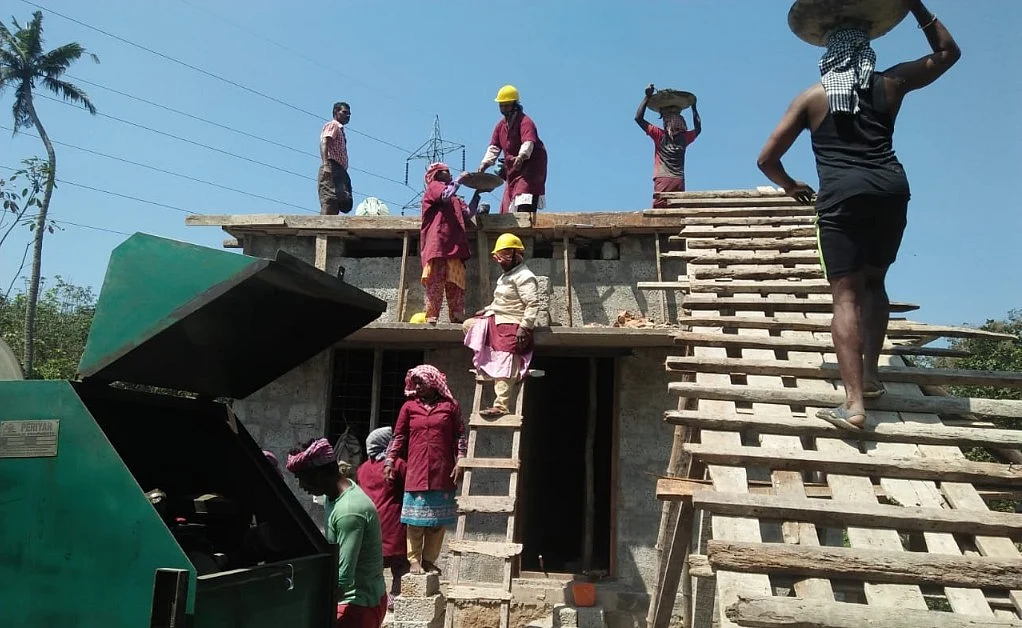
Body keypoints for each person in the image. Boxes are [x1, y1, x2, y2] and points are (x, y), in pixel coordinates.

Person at [756, 0, 960, 430]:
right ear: (868, 50)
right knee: (876, 283)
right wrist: (916, 5)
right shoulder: (891, 84)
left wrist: (791, 186)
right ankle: (869, 377)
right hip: (891, 189)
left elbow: (766, 159)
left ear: (827, 54)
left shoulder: (812, 97)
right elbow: (947, 54)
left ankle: (852, 406)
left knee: (845, 295)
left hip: (842, 198)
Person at [286, 438, 388, 627]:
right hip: (363, 598)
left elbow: (342, 580)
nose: (301, 486)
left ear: (319, 475)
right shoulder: (333, 497)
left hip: (357, 604)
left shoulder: (349, 511)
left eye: (302, 479)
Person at [384, 365, 466, 575]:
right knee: (415, 521)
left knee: (437, 523)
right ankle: (414, 560)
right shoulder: (409, 408)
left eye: (421, 382)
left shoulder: (450, 406)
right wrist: (390, 460)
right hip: (417, 471)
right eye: (415, 383)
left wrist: (461, 461)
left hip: (442, 470)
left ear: (433, 383)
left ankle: (429, 560)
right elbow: (399, 436)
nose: (417, 386)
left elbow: (460, 435)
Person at [462, 233, 539, 417]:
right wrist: (488, 309)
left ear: (515, 254)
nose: (501, 261)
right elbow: (501, 302)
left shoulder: (525, 276)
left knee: (506, 358)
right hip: (497, 318)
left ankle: (501, 405)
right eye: (499, 257)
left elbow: (533, 304)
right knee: (469, 325)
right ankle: (488, 362)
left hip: (514, 323)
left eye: (504, 256)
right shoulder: (505, 277)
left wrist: (525, 327)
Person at [419, 162, 481, 325]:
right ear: (438, 174)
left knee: (456, 283)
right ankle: (432, 315)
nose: (450, 174)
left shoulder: (455, 198)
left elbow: (467, 214)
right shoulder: (434, 187)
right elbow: (445, 195)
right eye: (447, 171)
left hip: (454, 246)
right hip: (438, 244)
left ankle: (456, 315)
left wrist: (477, 194)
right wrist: (460, 180)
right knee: (435, 282)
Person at [355, 427, 409, 609]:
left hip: (370, 527)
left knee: (374, 568)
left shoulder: (362, 469)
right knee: (400, 568)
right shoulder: (398, 465)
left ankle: (376, 600)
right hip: (393, 525)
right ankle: (394, 601)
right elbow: (411, 485)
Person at [477, 84, 548, 214]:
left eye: (507, 105)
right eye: (501, 105)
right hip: (513, 169)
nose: (504, 108)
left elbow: (528, 142)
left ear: (515, 104)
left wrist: (522, 156)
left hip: (530, 167)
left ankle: (525, 221)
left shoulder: (525, 122)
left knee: (524, 194)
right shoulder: (500, 126)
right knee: (508, 200)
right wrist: (484, 164)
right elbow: (494, 147)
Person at [635, 84, 702, 206]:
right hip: (679, 180)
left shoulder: (660, 135)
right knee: (676, 209)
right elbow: (698, 128)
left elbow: (638, 118)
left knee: (660, 210)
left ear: (666, 123)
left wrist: (647, 97)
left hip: (663, 179)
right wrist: (694, 107)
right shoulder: (684, 138)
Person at [319, 102, 354, 215]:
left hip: (340, 170)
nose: (347, 115)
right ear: (336, 112)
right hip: (332, 166)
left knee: (343, 202)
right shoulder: (333, 125)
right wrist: (326, 165)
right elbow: (324, 142)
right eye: (344, 112)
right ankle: (323, 227)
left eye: (349, 114)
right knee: (330, 200)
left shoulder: (341, 131)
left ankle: (331, 227)